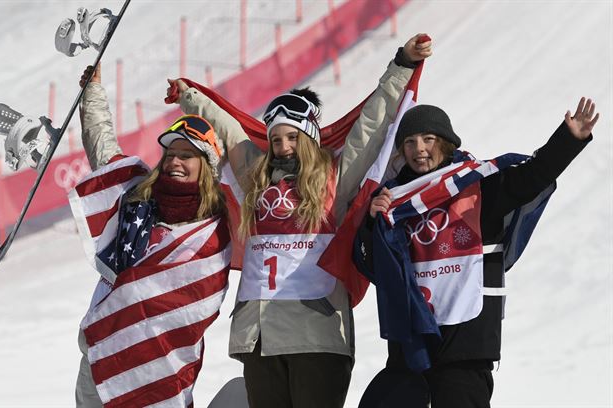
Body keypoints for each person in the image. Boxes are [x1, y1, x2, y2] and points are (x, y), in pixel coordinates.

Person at [168, 33, 433, 408]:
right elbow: (229, 134)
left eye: (292, 137)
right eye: (276, 140)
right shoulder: (257, 181)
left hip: (317, 335)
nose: (283, 147)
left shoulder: (334, 181)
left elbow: (371, 128)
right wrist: (188, 98)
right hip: (259, 337)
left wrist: (402, 65)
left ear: (308, 137)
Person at [354, 98, 599, 407]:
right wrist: (372, 224)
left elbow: (530, 178)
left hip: (464, 348)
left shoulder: (475, 188)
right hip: (410, 348)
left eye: (428, 139)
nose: (419, 149)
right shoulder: (393, 203)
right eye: (410, 142)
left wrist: (568, 140)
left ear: (444, 143)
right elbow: (371, 267)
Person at [72, 63, 230, 408]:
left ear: (207, 165)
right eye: (171, 153)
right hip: (102, 355)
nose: (175, 160)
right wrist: (92, 94)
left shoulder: (218, 224)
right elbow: (103, 151)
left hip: (162, 370)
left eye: (188, 155)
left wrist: (192, 99)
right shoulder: (137, 195)